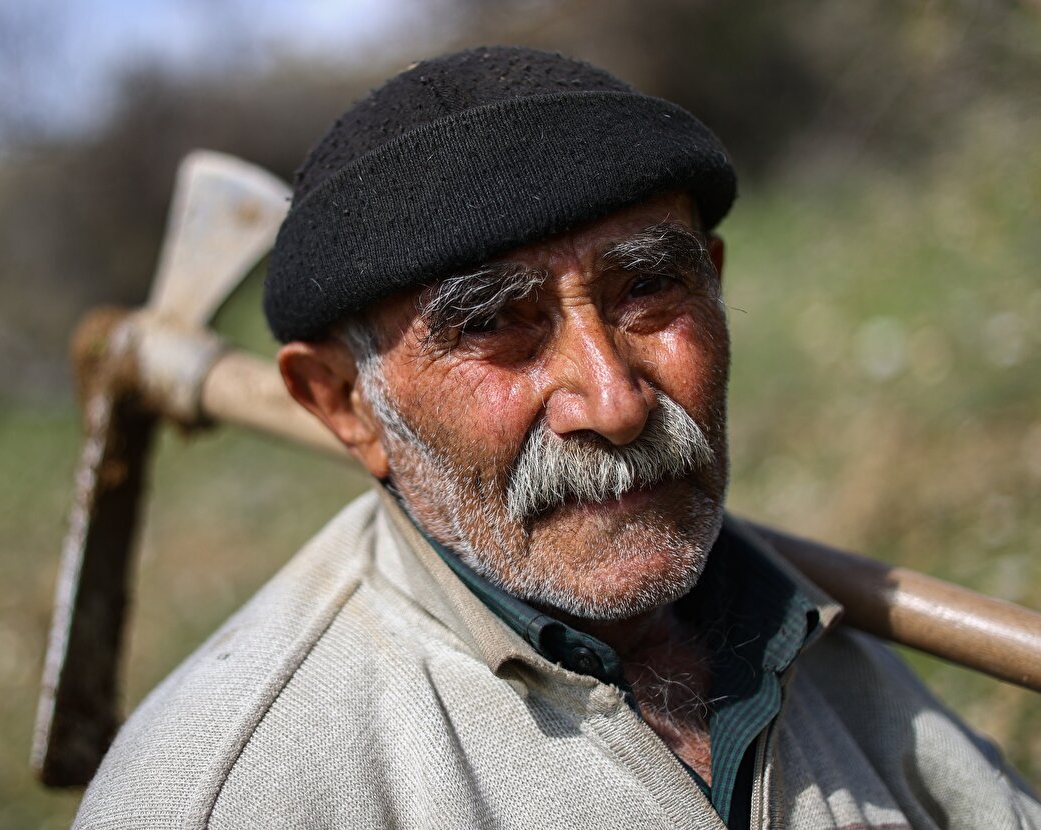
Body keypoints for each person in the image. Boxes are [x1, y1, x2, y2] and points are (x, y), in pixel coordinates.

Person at [74, 46, 1040, 830]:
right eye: (497, 324)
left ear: (712, 277)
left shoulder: (832, 649)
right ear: (340, 403)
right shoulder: (226, 798)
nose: (615, 403)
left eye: (648, 288)